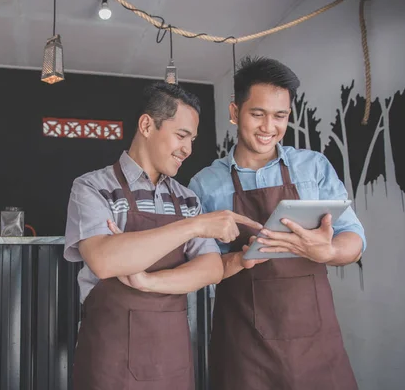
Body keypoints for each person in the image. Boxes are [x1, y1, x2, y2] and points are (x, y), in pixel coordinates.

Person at [64, 82, 262, 390]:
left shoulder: (186, 199)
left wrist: (148, 282)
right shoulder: (92, 187)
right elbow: (104, 260)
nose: (188, 148)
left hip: (172, 358)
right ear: (146, 125)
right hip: (108, 360)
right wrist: (194, 226)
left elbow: (211, 268)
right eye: (182, 135)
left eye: (193, 139)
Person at [188, 56, 366, 390]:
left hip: (316, 342)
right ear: (233, 112)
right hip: (243, 344)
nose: (269, 127)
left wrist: (327, 252)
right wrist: (240, 259)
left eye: (280, 116)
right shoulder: (204, 185)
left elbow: (354, 238)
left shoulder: (313, 168)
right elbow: (202, 266)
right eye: (257, 114)